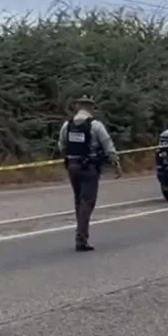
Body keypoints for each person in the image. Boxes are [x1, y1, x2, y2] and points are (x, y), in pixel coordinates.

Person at [58, 95, 121, 252]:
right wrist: (116, 163)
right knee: (87, 202)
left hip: (72, 166)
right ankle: (81, 238)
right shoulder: (96, 126)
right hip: (89, 167)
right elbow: (108, 145)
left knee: (79, 201)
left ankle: (80, 233)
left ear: (78, 107)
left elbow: (61, 145)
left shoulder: (68, 125)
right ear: (91, 108)